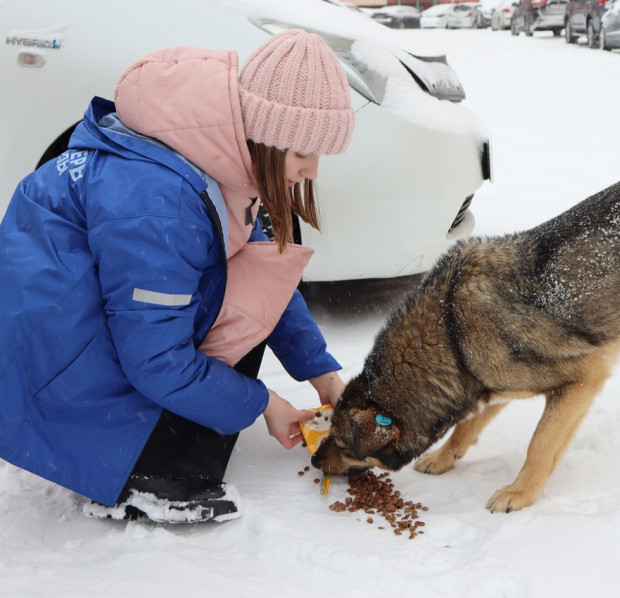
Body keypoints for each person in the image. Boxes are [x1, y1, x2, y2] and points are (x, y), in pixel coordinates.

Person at [0, 29, 355, 523]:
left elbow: (261, 280)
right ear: (261, 133)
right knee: (177, 363)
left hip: (82, 326)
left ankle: (157, 430)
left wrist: (322, 373)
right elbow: (155, 361)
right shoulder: (161, 205)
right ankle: (142, 480)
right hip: (48, 369)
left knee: (239, 295)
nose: (312, 171)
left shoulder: (218, 155)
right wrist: (262, 402)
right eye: (301, 153)